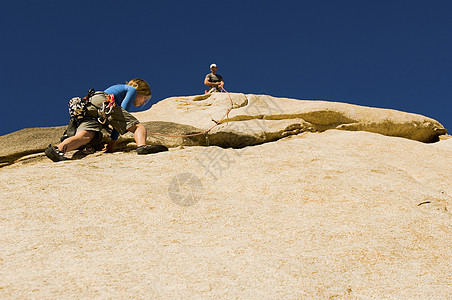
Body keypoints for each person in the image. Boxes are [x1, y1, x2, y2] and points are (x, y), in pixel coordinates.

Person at [45, 78, 167, 162]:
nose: (142, 103)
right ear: (140, 91)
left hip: (90, 107)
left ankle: (58, 150)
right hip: (103, 103)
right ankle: (142, 147)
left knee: (85, 137)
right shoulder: (132, 90)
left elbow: (114, 119)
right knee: (138, 127)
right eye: (144, 98)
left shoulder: (117, 89)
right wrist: (113, 142)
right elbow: (122, 112)